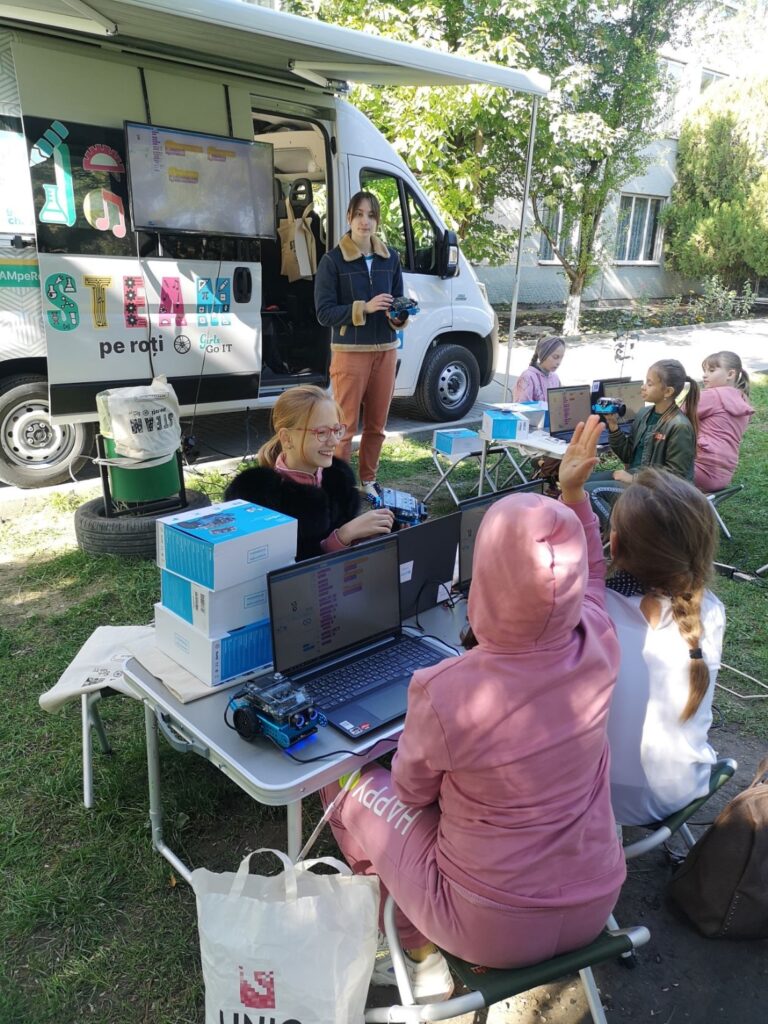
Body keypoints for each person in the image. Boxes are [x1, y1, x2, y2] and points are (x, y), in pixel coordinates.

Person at [320, 416, 625, 1002]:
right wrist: (573, 496)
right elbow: (590, 576)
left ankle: (413, 950)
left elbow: (410, 794)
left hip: (485, 923)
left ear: (484, 573)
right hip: (596, 900)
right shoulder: (599, 640)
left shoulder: (445, 688)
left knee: (344, 781)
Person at [605, 469, 724, 825]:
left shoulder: (593, 609)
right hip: (679, 792)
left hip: (597, 796)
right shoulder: (711, 611)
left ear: (614, 544)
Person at [223, 385, 393, 561]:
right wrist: (342, 537)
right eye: (322, 432)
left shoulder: (338, 482)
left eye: (336, 430)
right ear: (287, 438)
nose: (334, 441)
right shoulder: (257, 501)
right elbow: (277, 568)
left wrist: (370, 534)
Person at [314, 191, 408, 497]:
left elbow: (397, 304)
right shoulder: (332, 261)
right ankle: (338, 486)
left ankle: (368, 480)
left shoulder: (391, 258)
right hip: (349, 354)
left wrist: (399, 315)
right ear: (349, 218)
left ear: (377, 220)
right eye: (359, 214)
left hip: (386, 351)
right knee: (343, 427)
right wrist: (364, 308)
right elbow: (324, 313)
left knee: (377, 426)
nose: (364, 221)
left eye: (371, 215)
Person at [584, 358, 699, 531]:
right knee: (579, 481)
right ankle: (596, 534)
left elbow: (677, 478)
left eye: (650, 384)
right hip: (635, 477)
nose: (643, 387)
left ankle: (624, 538)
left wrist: (633, 479)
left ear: (668, 391)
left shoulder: (679, 426)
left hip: (657, 493)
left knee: (590, 492)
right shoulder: (644, 414)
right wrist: (613, 426)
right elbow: (627, 454)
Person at [694, 350, 754, 492]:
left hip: (697, 469)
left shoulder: (711, 395)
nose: (705, 375)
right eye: (704, 371)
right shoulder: (743, 400)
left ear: (730, 374)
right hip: (723, 476)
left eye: (711, 370)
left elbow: (674, 416)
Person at [512, 335, 566, 402]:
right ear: (543, 355)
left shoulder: (555, 378)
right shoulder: (527, 377)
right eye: (555, 357)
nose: (559, 362)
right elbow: (520, 405)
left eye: (561, 358)